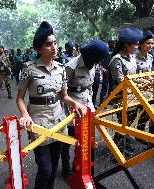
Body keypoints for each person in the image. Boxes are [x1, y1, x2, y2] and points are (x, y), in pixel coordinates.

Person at [16, 21, 86, 189]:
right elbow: (19, 98)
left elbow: (64, 96)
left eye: (55, 43)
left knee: (54, 168)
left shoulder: (61, 69)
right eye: (49, 44)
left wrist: (75, 103)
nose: (54, 47)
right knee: (45, 169)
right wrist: (25, 115)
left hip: (59, 122)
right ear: (40, 49)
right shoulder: (29, 69)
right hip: (39, 123)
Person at [63, 40, 109, 178]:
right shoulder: (71, 66)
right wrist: (69, 110)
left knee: (87, 136)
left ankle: (81, 165)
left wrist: (91, 105)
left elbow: (89, 87)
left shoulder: (93, 64)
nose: (98, 62)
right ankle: (65, 168)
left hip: (86, 103)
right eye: (98, 59)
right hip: (71, 104)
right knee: (69, 137)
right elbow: (62, 92)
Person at [110, 27, 143, 154]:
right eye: (135, 44)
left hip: (132, 95)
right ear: (126, 45)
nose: (137, 46)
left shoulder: (132, 57)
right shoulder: (117, 60)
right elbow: (121, 81)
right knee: (123, 123)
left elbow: (136, 75)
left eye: (137, 43)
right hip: (121, 96)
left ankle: (122, 143)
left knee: (129, 122)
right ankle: (118, 151)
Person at [135, 31, 154, 136]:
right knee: (131, 117)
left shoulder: (150, 58)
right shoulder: (133, 58)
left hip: (147, 90)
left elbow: (148, 74)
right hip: (134, 90)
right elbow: (132, 77)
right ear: (140, 44)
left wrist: (153, 80)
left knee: (148, 113)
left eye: (152, 43)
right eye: (148, 43)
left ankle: (142, 133)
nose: (151, 45)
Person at [99, 39, 115, 105]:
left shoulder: (114, 50)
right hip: (106, 70)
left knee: (111, 85)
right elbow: (101, 59)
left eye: (114, 43)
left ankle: (109, 99)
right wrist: (102, 68)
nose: (113, 44)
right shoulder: (106, 50)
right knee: (105, 85)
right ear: (109, 43)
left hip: (112, 70)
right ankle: (102, 100)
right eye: (112, 43)